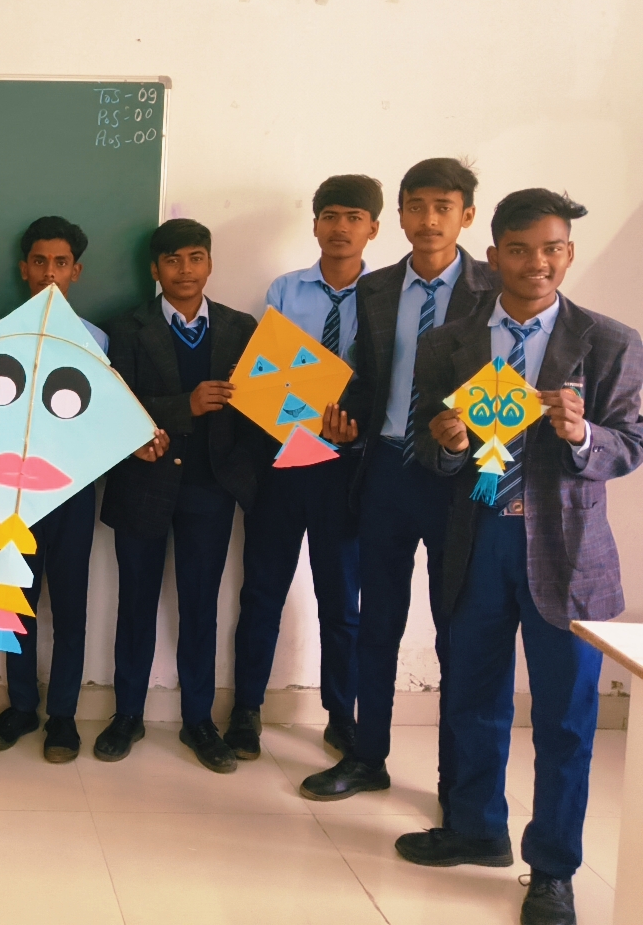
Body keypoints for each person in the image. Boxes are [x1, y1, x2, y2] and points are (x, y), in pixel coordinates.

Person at [402, 190, 642, 925]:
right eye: (520, 249)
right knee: (473, 698)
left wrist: (581, 436)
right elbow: (424, 445)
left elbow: (630, 445)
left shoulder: (609, 342)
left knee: (566, 721)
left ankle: (554, 869)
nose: (538, 263)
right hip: (477, 541)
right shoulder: (449, 342)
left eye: (552, 249)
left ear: (568, 253)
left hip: (567, 553)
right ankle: (477, 829)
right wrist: (447, 444)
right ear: (494, 254)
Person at [301, 158, 500, 808]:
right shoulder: (378, 287)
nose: (429, 220)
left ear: (467, 215)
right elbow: (369, 374)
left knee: (454, 631)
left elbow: (511, 378)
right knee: (377, 622)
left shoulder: (493, 289)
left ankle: (454, 783)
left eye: (443, 207)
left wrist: (473, 435)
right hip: (385, 469)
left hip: (458, 482)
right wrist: (345, 421)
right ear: (401, 215)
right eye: (417, 206)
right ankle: (367, 757)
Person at [0, 215, 166, 763]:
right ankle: (20, 705)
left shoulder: (97, 339)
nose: (49, 273)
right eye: (39, 262)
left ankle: (62, 715)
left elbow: (104, 416)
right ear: (23, 268)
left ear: (76, 271)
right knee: (14, 603)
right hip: (12, 493)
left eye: (61, 263)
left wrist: (140, 441)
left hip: (72, 491)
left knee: (70, 607)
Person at [224, 176, 379, 761]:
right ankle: (246, 710)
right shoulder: (285, 290)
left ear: (373, 228)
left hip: (347, 468)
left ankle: (341, 715)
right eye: (330, 216)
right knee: (262, 592)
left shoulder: (384, 296)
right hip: (284, 462)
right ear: (315, 224)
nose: (341, 228)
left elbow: (386, 379)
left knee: (341, 601)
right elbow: (266, 372)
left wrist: (355, 426)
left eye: (354, 217)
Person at [99, 218, 261, 772]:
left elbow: (258, 409)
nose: (185, 270)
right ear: (155, 269)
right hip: (142, 486)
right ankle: (127, 714)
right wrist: (183, 407)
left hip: (210, 490)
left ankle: (199, 720)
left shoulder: (241, 328)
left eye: (195, 258)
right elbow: (112, 405)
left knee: (200, 607)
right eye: (172, 260)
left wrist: (241, 472)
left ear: (210, 263)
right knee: (135, 604)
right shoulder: (125, 328)